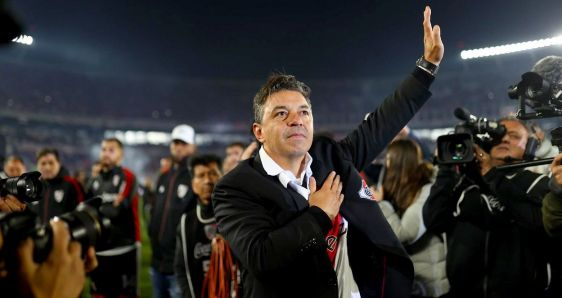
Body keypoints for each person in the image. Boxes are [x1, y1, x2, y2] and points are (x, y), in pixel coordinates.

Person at [212, 6, 444, 298]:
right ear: (259, 132)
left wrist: (426, 68)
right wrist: (319, 214)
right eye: (281, 113)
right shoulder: (234, 188)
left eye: (304, 112)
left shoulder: (330, 157)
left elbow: (382, 123)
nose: (296, 119)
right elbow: (261, 257)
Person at [423, 117, 552, 297]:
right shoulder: (465, 184)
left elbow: (537, 221)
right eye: (497, 134)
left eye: (514, 136)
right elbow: (434, 220)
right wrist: (446, 170)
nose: (505, 139)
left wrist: (491, 174)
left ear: (530, 146)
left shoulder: (539, 185)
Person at [376, 139, 449, 297]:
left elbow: (405, 233)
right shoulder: (397, 191)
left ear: (398, 163)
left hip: (432, 286)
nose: (385, 165)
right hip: (410, 284)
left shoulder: (427, 190)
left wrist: (380, 203)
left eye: (388, 160)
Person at [175, 154, 237, 298]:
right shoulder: (186, 222)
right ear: (193, 184)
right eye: (201, 175)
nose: (208, 181)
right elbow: (182, 268)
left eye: (213, 174)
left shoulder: (236, 215)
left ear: (222, 176)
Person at [87, 137, 141, 298]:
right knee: (99, 294)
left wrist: (99, 208)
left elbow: (116, 211)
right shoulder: (94, 180)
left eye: (111, 150)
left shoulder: (128, 177)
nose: (106, 153)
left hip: (124, 248)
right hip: (100, 249)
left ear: (120, 155)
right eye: (104, 149)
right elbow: (86, 208)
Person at [149, 124, 197, 298]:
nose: (178, 147)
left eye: (183, 143)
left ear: (192, 147)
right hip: (157, 260)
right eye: (175, 143)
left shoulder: (195, 176)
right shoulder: (164, 175)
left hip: (179, 262)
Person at [29, 148, 85, 223]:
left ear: (59, 163)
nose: (47, 167)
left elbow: (81, 213)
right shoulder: (33, 188)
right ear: (37, 166)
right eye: (43, 163)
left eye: (51, 163)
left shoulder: (72, 184)